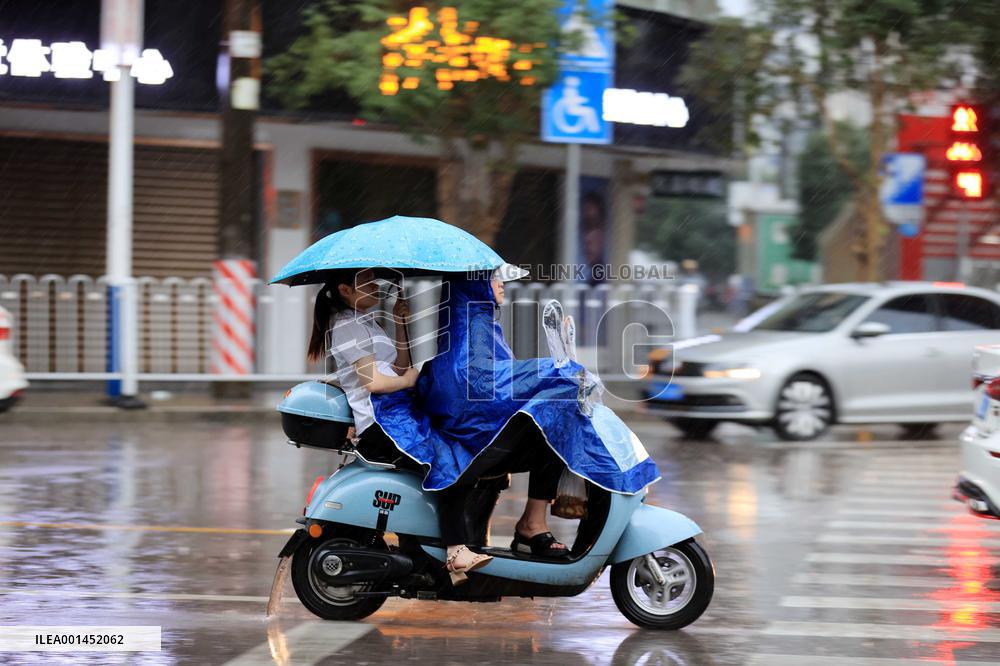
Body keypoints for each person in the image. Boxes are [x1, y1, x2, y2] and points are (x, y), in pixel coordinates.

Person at [308, 267, 493, 584]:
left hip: (399, 414)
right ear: (344, 290)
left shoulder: (365, 321)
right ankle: (455, 551)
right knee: (449, 462)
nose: (375, 286)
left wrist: (401, 322)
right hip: (382, 423)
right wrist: (410, 379)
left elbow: (397, 366)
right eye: (365, 282)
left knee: (462, 450)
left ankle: (434, 548)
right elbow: (375, 383)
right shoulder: (347, 327)